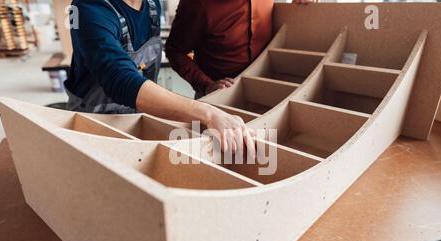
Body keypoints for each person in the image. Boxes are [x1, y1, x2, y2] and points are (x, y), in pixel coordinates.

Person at [65, 0, 254, 153]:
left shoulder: (152, 5)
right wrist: (209, 113)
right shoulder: (85, 8)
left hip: (139, 115)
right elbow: (119, 78)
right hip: (94, 124)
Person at [165, 0, 317, 98]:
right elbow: (175, 51)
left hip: (265, 92)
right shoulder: (197, 4)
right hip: (217, 97)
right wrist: (206, 85)